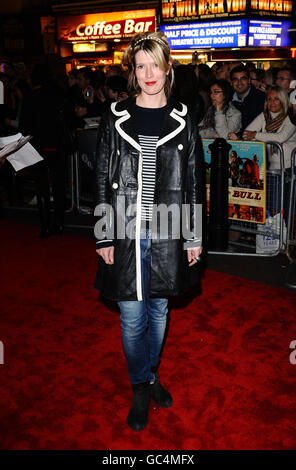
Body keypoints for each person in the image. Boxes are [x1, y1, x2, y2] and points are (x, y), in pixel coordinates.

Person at [94, 31, 203, 432]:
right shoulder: (115, 115)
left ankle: (150, 373)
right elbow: (103, 179)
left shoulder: (183, 117)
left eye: (155, 64)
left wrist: (193, 236)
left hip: (168, 230)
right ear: (133, 72)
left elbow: (192, 180)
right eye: (141, 66)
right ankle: (141, 384)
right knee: (131, 317)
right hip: (123, 229)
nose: (148, 73)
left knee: (159, 310)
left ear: (167, 67)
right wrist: (103, 234)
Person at [243, 85, 296, 216]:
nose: (272, 102)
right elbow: (246, 134)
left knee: (289, 208)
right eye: (269, 99)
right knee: (274, 207)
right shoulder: (264, 115)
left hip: (291, 167)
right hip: (273, 168)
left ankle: (287, 235)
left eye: (276, 99)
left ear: (283, 100)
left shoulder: (291, 117)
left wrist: (256, 135)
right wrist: (254, 136)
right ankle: (275, 234)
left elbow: (281, 137)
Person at [230, 65, 266, 137]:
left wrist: (238, 135)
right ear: (231, 82)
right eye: (235, 79)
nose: (239, 82)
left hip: (252, 142)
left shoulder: (260, 98)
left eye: (243, 79)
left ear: (249, 80)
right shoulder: (227, 98)